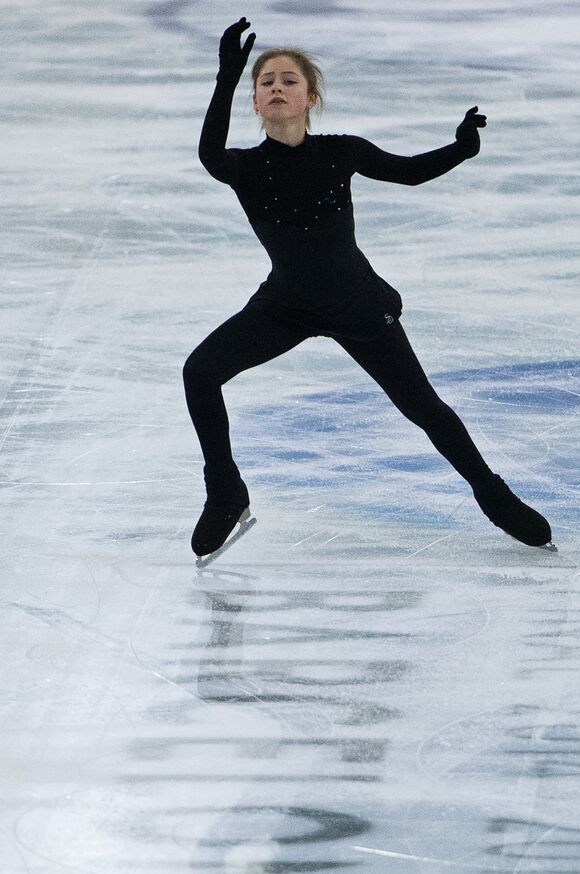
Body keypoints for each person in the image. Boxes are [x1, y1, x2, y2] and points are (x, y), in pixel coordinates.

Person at [184, 17, 551, 557]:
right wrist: (225, 75)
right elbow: (210, 155)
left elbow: (408, 172)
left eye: (289, 80)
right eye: (266, 82)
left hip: (356, 304)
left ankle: (494, 495)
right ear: (256, 104)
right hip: (286, 304)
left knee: (423, 407)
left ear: (311, 98)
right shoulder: (244, 166)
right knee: (200, 372)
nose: (277, 87)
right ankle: (225, 492)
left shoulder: (341, 152)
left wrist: (462, 149)